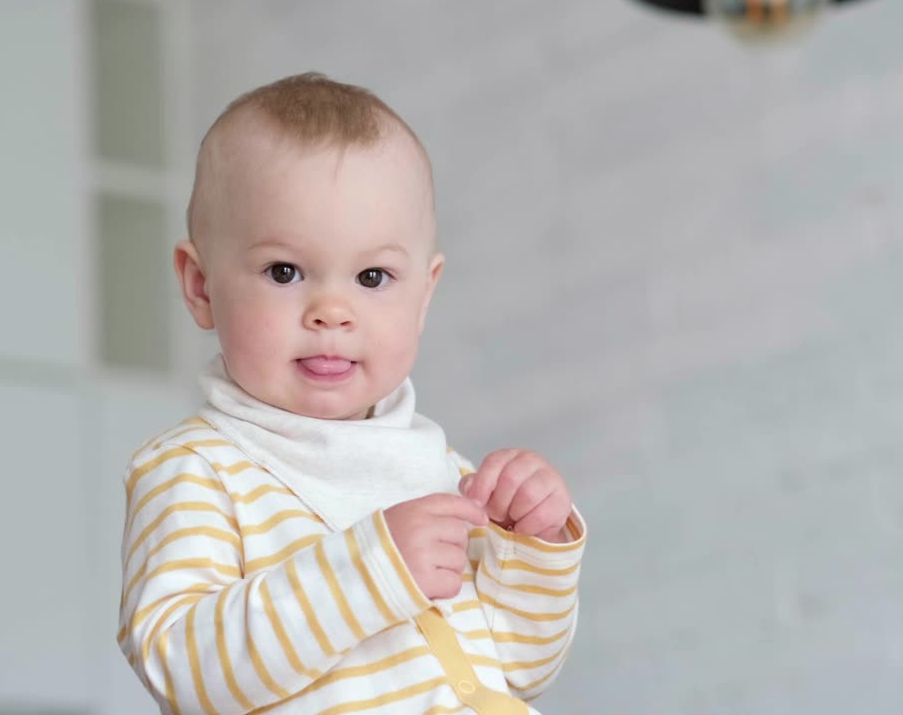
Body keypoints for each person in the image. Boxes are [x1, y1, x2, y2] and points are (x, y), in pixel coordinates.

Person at [118, 72, 586, 714]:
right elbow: (186, 673)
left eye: (372, 276)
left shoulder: (439, 470)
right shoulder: (196, 471)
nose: (332, 311)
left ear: (423, 295)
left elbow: (521, 671)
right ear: (201, 286)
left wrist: (532, 549)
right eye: (284, 271)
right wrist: (373, 569)